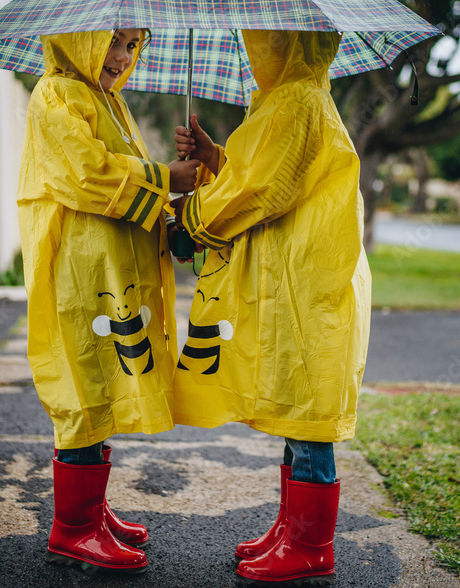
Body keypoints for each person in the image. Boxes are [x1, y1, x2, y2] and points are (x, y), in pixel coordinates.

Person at [171, 29, 372, 586]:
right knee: (296, 407)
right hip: (302, 278)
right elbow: (261, 171)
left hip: (310, 281)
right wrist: (216, 157)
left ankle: (311, 545)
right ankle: (292, 529)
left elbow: (260, 189)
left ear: (286, 42)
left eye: (263, 39)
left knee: (309, 413)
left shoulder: (295, 100)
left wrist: (191, 221)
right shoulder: (288, 98)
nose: (253, 47)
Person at [17, 28, 199, 573]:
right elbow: (86, 176)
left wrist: (173, 208)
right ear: (80, 39)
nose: (123, 57)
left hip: (110, 269)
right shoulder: (56, 94)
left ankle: (91, 512)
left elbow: (124, 181)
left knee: (104, 382)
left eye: (132, 45)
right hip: (80, 270)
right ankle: (72, 529)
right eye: (114, 42)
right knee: (82, 388)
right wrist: (167, 175)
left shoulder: (107, 99)